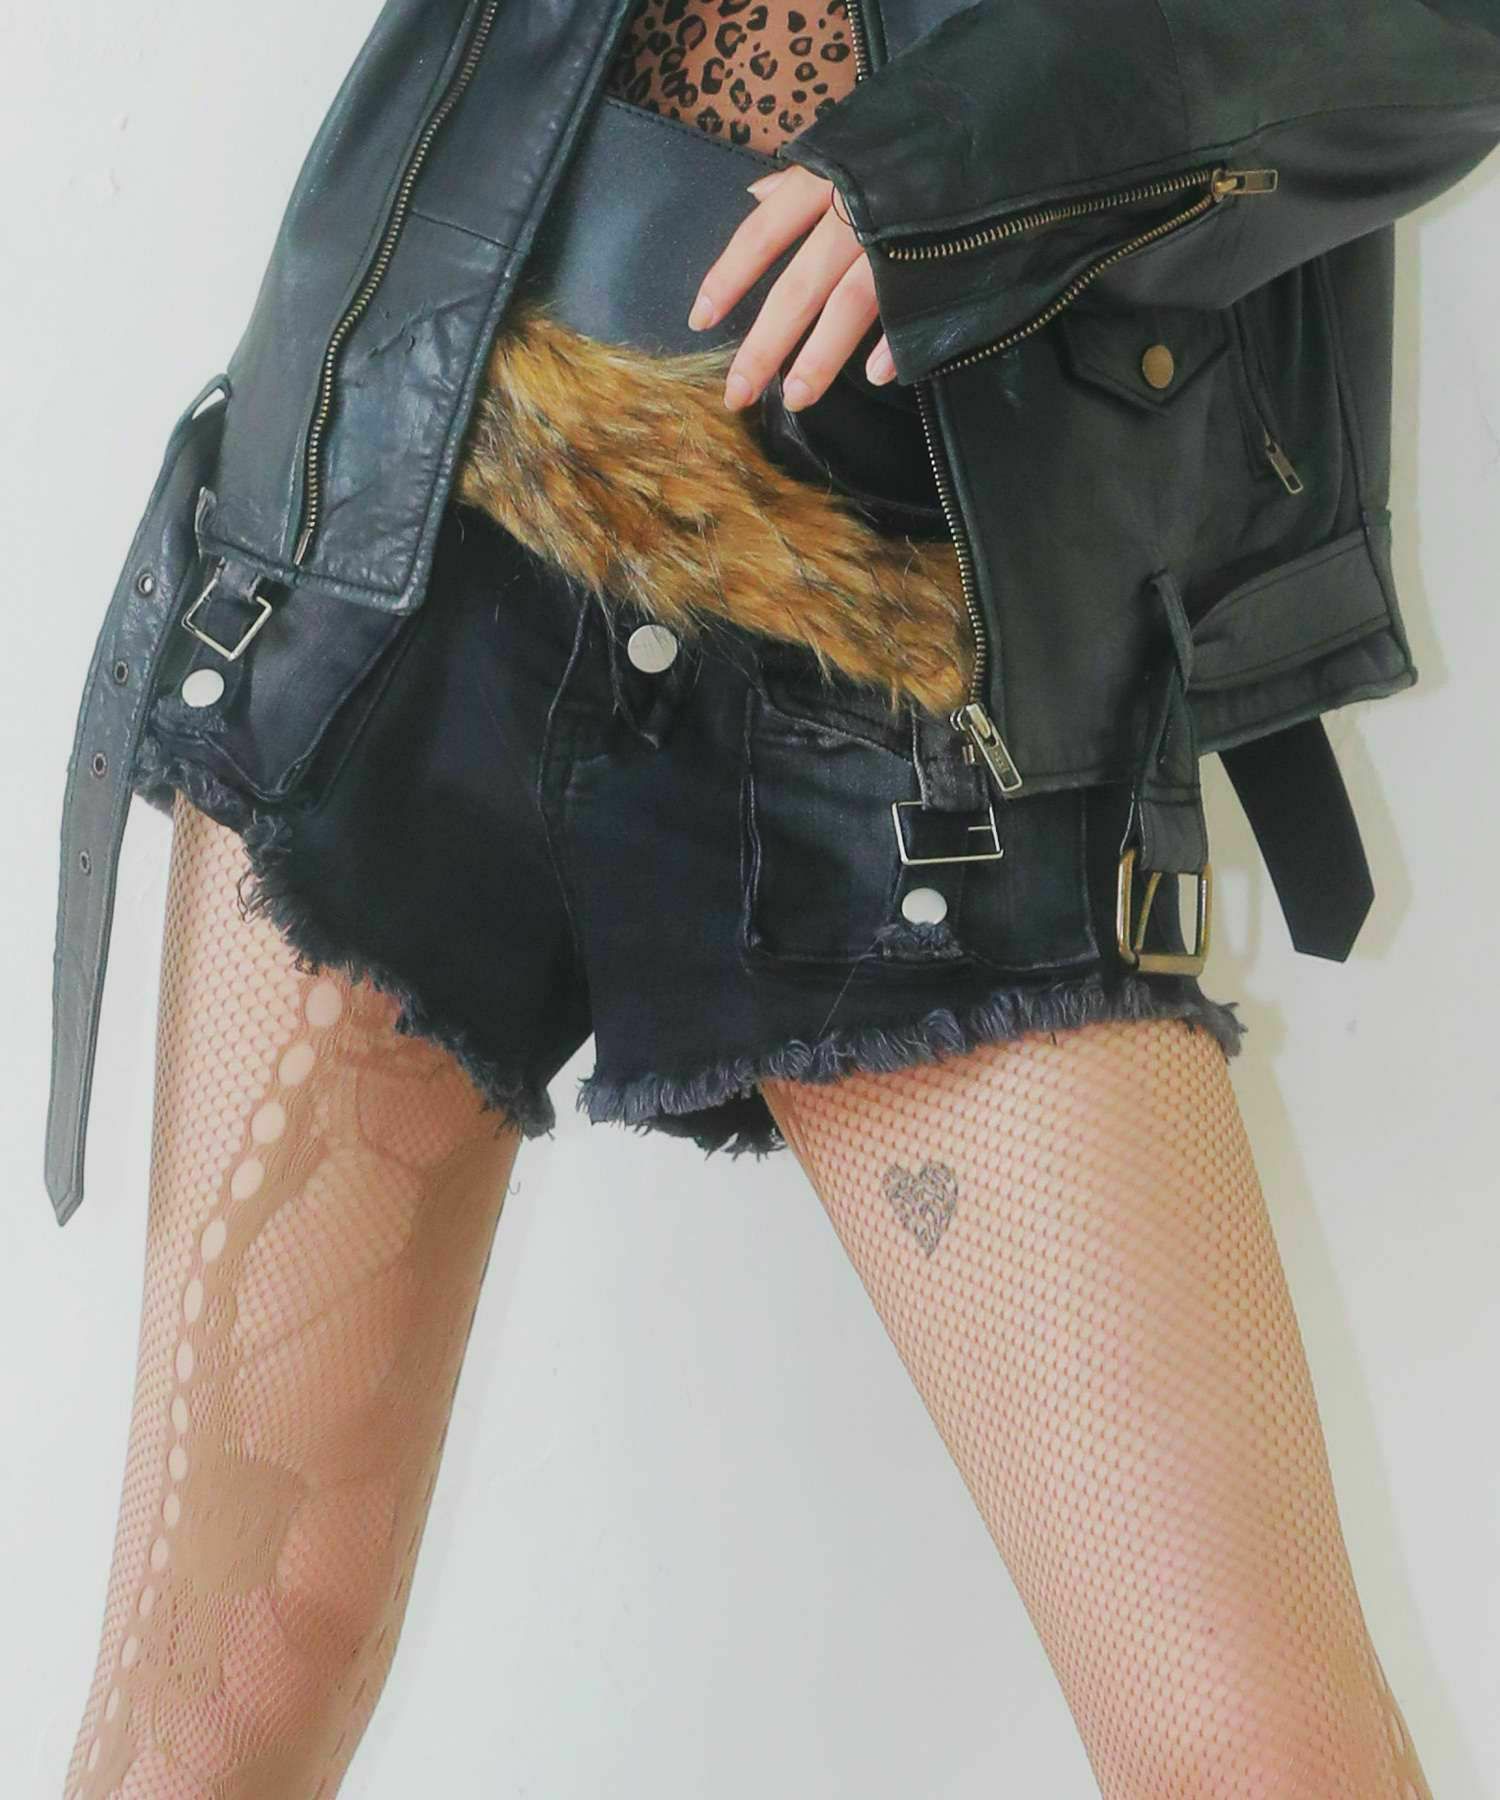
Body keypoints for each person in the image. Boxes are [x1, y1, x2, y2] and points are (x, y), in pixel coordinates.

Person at [56, 0, 1467, 1793]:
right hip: (409, 503)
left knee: (1256, 1748)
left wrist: (967, 166)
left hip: (925, 624)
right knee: (227, 1683)